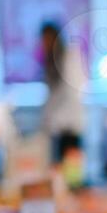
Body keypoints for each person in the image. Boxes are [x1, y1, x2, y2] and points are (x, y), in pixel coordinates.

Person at [39, 22, 86, 162]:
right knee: (57, 170)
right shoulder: (51, 61)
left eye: (46, 39)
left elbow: (72, 91)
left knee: (71, 172)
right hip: (56, 127)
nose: (44, 43)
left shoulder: (69, 56)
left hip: (70, 125)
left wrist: (56, 117)